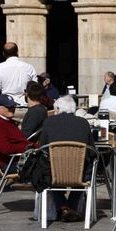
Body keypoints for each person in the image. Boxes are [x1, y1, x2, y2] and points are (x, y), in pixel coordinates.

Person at [40, 95, 96, 223]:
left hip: (54, 173)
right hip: (79, 173)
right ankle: (71, 206)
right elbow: (92, 149)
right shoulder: (83, 123)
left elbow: (42, 147)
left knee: (48, 168)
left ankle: (63, 206)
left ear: (58, 108)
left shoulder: (48, 122)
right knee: (86, 166)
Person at [0, 94, 36, 171]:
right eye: (9, 107)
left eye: (13, 106)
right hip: (12, 162)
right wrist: (28, 148)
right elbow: (6, 149)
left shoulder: (8, 121)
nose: (12, 109)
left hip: (22, 157)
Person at [0, 42, 38, 106]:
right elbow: (35, 88)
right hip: (24, 104)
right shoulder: (29, 67)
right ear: (17, 52)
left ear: (3, 54)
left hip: (6, 105)